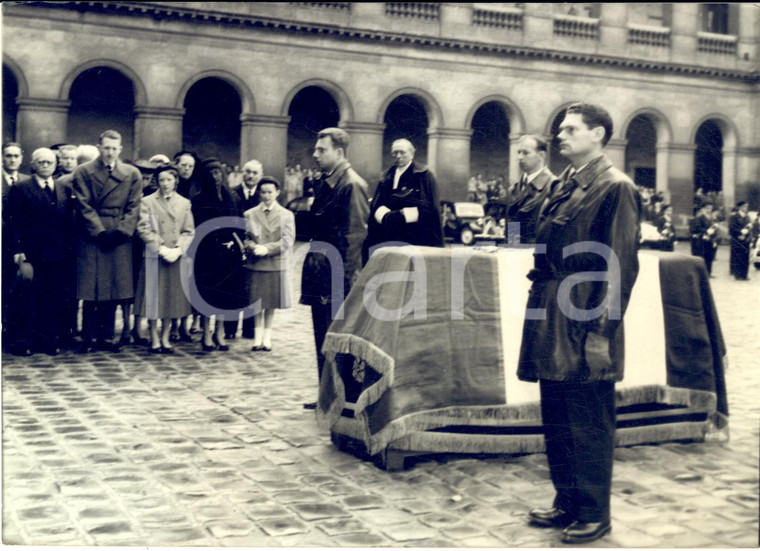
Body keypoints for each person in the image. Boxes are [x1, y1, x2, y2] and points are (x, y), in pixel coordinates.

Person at [518, 103, 641, 544]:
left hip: (586, 314)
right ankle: (567, 499)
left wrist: (602, 333)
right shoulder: (567, 183)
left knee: (588, 418)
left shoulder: (615, 187)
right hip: (552, 309)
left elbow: (621, 266)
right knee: (557, 413)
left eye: (571, 129)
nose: (560, 136)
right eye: (560, 128)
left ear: (599, 135)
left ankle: (594, 511)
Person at [300, 127, 369, 409]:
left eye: (322, 149)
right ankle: (326, 395)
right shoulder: (328, 182)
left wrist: (345, 284)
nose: (315, 154)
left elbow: (354, 238)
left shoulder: (351, 185)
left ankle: (344, 398)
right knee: (323, 335)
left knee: (338, 338)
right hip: (322, 273)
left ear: (339, 152)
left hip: (337, 277)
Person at [72, 130, 143, 352]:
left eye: (114, 148)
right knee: (91, 289)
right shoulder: (84, 171)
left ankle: (107, 336)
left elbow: (134, 206)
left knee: (113, 288)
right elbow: (83, 205)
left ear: (120, 149)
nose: (110, 152)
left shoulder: (132, 174)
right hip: (93, 235)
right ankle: (88, 337)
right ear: (99, 147)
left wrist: (122, 232)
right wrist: (100, 232)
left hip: (119, 236)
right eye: (106, 148)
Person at [5, 148, 76, 356]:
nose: (45, 165)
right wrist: (17, 249)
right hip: (31, 251)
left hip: (57, 253)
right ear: (33, 164)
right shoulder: (21, 188)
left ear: (56, 165)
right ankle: (24, 341)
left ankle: (48, 339)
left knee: (52, 297)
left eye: (49, 162)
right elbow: (13, 221)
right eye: (41, 162)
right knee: (27, 297)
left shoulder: (62, 188)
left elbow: (67, 221)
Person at [134, 165, 195, 353]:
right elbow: (144, 228)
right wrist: (160, 248)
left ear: (175, 181)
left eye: (169, 180)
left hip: (175, 256)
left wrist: (178, 249)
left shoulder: (184, 203)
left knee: (170, 298)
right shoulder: (147, 202)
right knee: (154, 297)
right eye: (161, 180)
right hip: (155, 255)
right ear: (157, 182)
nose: (165, 184)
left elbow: (189, 230)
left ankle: (165, 336)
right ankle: (153, 337)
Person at [190, 158, 244, 352]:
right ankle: (206, 333)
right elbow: (196, 227)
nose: (215, 177)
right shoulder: (198, 200)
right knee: (208, 294)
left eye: (218, 173)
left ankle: (219, 332)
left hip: (229, 253)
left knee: (225, 294)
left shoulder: (233, 198)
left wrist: (234, 239)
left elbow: (239, 222)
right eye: (211, 174)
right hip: (207, 254)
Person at [362, 138, 442, 263]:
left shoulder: (423, 176)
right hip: (386, 235)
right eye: (395, 152)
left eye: (402, 152)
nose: (398, 156)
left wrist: (397, 215)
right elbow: (377, 204)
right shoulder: (386, 175)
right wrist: (385, 215)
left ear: (412, 153)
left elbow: (429, 209)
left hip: (412, 237)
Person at [244, 176, 295, 352]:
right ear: (259, 193)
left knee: (271, 303)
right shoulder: (250, 214)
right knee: (258, 302)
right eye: (263, 192)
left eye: (270, 192)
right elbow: (246, 238)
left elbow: (288, 240)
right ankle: (257, 337)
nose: (266, 196)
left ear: (277, 193)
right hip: (256, 263)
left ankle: (267, 336)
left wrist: (267, 249)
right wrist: (253, 247)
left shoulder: (286, 215)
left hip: (274, 262)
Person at [226, 158, 264, 340]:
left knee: (253, 288)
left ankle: (250, 329)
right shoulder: (232, 193)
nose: (250, 176)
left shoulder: (263, 195)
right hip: (235, 246)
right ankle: (230, 329)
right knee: (233, 287)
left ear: (260, 176)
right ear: (243, 173)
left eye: (255, 173)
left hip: (255, 247)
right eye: (248, 171)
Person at [507, 135, 557, 244]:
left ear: (541, 155)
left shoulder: (554, 186)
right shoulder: (514, 189)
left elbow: (547, 234)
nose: (520, 157)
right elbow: (512, 228)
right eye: (518, 152)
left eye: (525, 153)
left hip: (539, 253)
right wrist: (513, 248)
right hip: (516, 253)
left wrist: (538, 257)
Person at [689, 201, 719, 276]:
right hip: (702, 240)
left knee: (710, 256)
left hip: (710, 240)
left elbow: (715, 230)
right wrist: (706, 231)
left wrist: (714, 238)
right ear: (703, 209)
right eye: (707, 208)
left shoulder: (711, 219)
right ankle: (703, 273)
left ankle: (709, 272)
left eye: (710, 208)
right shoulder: (700, 218)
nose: (709, 210)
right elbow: (698, 228)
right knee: (703, 256)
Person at [728, 200, 752, 280]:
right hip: (737, 240)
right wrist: (740, 232)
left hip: (745, 240)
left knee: (745, 257)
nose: (745, 208)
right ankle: (737, 275)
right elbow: (731, 229)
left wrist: (747, 234)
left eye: (746, 206)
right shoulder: (734, 217)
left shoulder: (747, 217)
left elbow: (750, 228)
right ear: (740, 207)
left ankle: (744, 275)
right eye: (744, 206)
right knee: (737, 257)